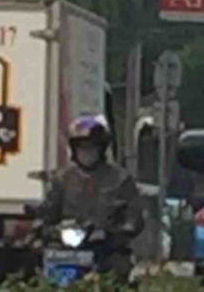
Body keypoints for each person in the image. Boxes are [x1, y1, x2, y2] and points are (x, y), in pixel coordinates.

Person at [39, 114, 144, 283]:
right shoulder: (62, 178)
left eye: (91, 147)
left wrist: (127, 226)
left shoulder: (120, 179)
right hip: (68, 249)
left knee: (119, 270)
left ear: (101, 149)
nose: (86, 152)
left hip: (107, 247)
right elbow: (50, 212)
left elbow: (134, 213)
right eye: (82, 148)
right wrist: (41, 221)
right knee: (47, 268)